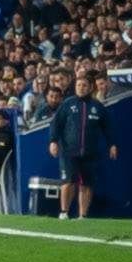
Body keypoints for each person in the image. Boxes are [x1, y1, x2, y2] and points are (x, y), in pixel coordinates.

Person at [49, 66, 107, 219]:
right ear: (75, 87)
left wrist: (112, 144)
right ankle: (64, 212)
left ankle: (83, 215)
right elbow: (56, 124)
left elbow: (108, 127)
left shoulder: (97, 106)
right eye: (79, 85)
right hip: (69, 151)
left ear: (90, 88)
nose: (81, 88)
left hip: (90, 152)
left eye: (84, 85)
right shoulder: (67, 104)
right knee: (68, 182)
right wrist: (53, 141)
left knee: (86, 184)